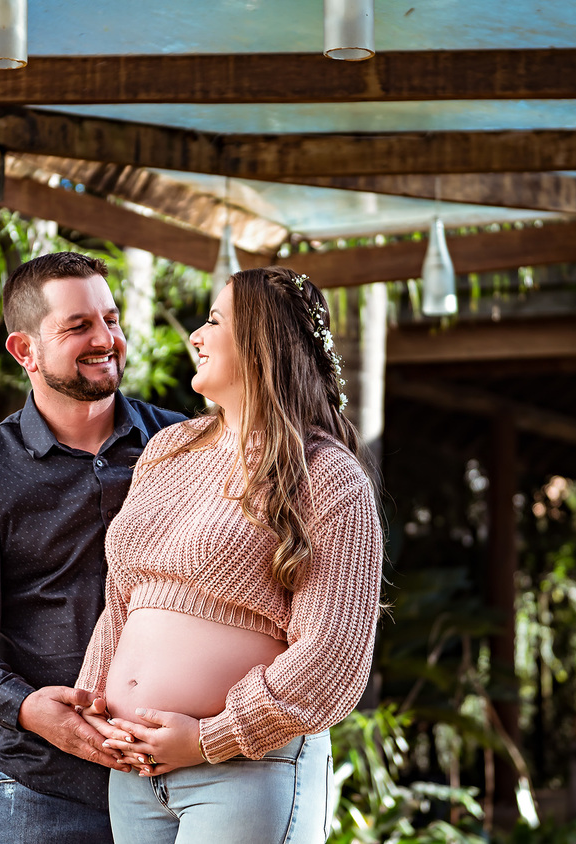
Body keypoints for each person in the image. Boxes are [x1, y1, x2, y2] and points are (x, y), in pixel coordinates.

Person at [76, 266, 384, 844]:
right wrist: (95, 699)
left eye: (215, 321)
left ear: (263, 344)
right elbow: (123, 600)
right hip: (135, 774)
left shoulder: (327, 475)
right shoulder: (169, 450)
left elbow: (332, 655)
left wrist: (208, 738)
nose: (196, 335)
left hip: (244, 771)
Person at [0, 252, 184, 843]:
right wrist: (25, 706)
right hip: (45, 789)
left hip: (187, 784)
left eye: (110, 319)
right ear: (25, 351)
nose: (106, 339)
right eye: (78, 326)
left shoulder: (185, 444)